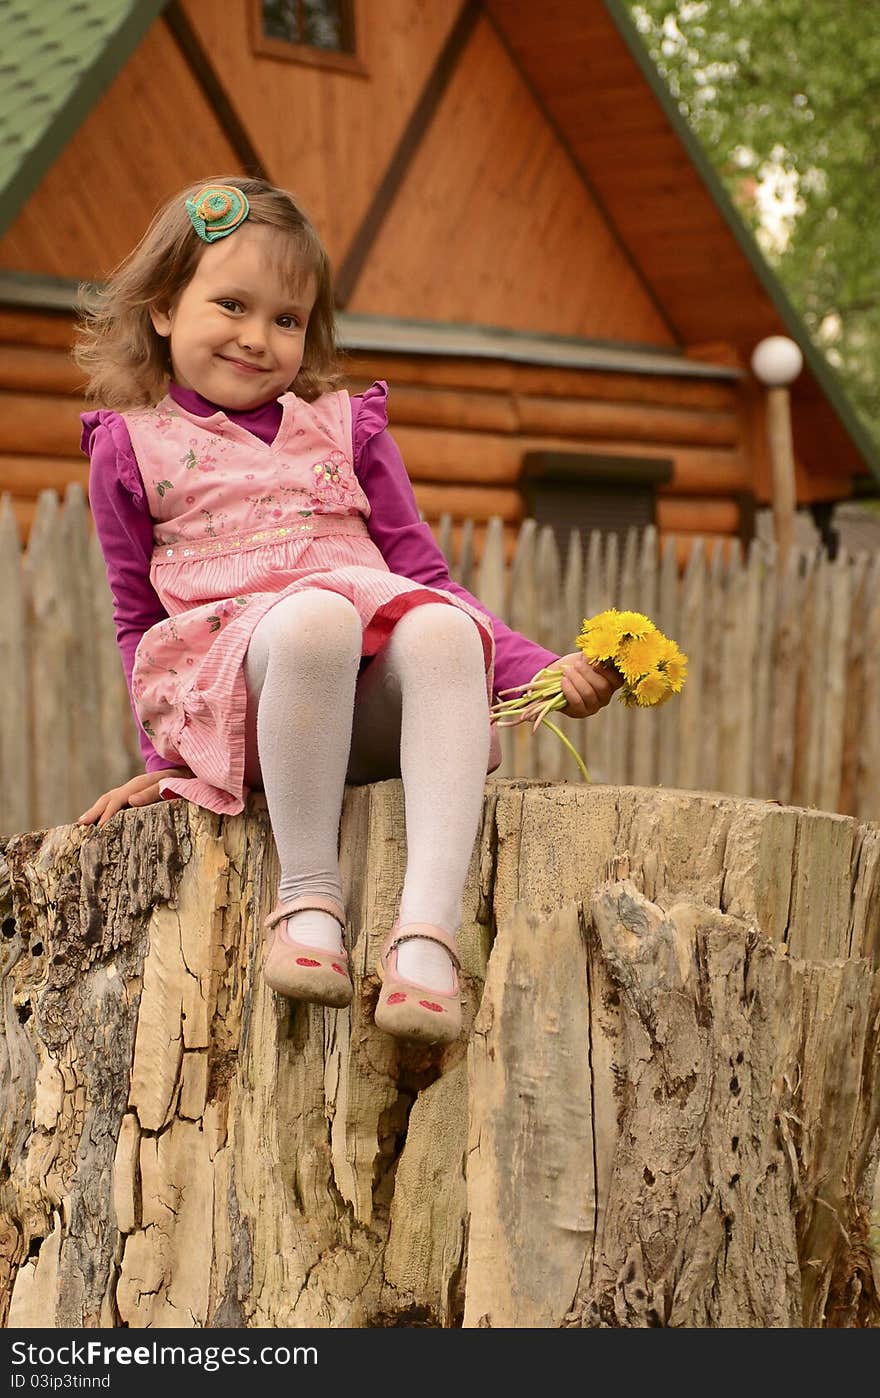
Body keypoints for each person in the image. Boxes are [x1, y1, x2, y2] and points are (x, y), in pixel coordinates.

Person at [75, 176, 622, 1046]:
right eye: (233, 305)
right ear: (164, 307)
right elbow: (135, 616)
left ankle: (425, 941)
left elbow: (426, 574)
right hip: (248, 710)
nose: (258, 338)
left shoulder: (346, 428)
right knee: (317, 617)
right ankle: (308, 905)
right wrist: (170, 758)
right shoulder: (131, 447)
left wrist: (539, 669)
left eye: (287, 319)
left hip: (361, 714)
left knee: (437, 627)